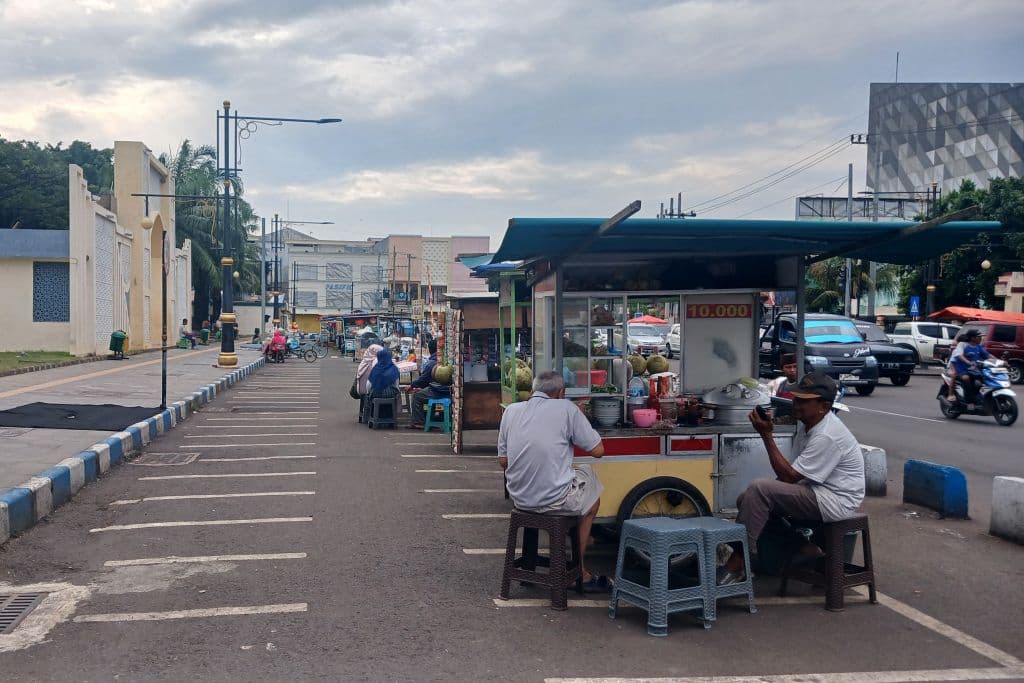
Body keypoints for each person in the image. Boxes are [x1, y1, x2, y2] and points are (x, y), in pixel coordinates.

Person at [722, 372, 864, 583]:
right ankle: (803, 547)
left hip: (835, 500)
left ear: (823, 406)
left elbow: (789, 476)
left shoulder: (827, 434)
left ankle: (737, 562)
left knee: (759, 490)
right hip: (816, 491)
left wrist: (766, 435)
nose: (796, 404)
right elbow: (794, 475)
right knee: (747, 498)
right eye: (796, 398)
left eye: (803, 401)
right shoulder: (808, 425)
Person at [497, 371, 609, 592]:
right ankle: (581, 569)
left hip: (520, 499)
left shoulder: (511, 411)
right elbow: (598, 450)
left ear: (533, 391)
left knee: (574, 478)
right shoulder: (566, 409)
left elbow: (503, 461)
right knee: (591, 490)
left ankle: (573, 536)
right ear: (561, 393)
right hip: (552, 500)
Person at [407, 340, 449, 430]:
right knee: (421, 392)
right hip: (446, 390)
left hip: (438, 391)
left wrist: (412, 385)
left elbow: (423, 380)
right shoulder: (445, 360)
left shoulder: (431, 363)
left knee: (417, 396)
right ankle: (431, 418)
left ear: (430, 350)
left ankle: (419, 422)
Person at [947, 330, 990, 402]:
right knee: (964, 377)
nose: (981, 338)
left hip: (973, 369)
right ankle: (963, 397)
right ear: (973, 338)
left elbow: (988, 355)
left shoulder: (978, 346)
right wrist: (968, 362)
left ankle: (980, 395)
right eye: (979, 337)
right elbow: (959, 356)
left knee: (984, 377)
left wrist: (1000, 361)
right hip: (959, 368)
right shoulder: (962, 345)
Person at [364, 347, 400, 422]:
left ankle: (368, 418)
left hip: (376, 393)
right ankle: (391, 417)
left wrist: (369, 393)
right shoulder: (394, 368)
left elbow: (369, 385)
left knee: (368, 396)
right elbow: (396, 385)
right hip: (390, 394)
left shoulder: (376, 368)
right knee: (395, 394)